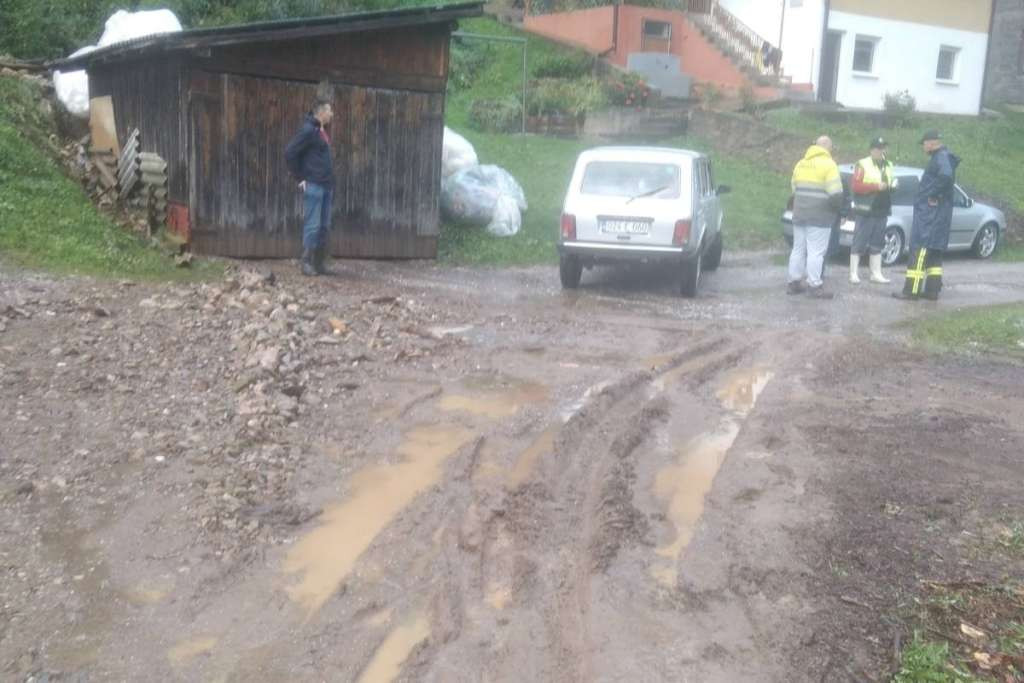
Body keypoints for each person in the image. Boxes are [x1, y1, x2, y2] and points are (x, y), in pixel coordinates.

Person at [894, 130, 960, 301]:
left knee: (920, 250)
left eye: (924, 143)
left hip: (930, 217)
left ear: (931, 143)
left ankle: (911, 291)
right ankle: (932, 291)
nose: (923, 147)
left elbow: (945, 176)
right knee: (934, 253)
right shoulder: (942, 157)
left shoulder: (941, 158)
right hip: (938, 216)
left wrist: (933, 195)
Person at [788, 135, 843, 299]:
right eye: (831, 147)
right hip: (819, 215)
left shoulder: (800, 163)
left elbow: (793, 189)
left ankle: (794, 282)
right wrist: (837, 210)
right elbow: (835, 193)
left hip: (799, 213)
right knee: (816, 252)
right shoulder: (829, 165)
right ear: (827, 147)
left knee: (798, 248)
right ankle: (814, 285)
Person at [285, 98, 335, 276]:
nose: (332, 114)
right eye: (329, 110)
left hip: (326, 186)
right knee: (313, 224)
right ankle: (306, 263)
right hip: (314, 185)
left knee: (324, 225)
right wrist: (300, 178)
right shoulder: (308, 130)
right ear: (321, 112)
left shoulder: (321, 131)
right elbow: (290, 152)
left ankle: (319, 263)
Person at [849, 136, 897, 284]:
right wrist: (876, 186)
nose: (880, 151)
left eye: (883, 148)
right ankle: (853, 273)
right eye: (877, 148)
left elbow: (889, 182)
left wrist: (893, 186)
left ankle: (876, 273)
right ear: (871, 150)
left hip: (882, 208)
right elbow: (856, 187)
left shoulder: (889, 164)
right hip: (866, 209)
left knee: (878, 242)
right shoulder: (862, 164)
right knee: (860, 241)